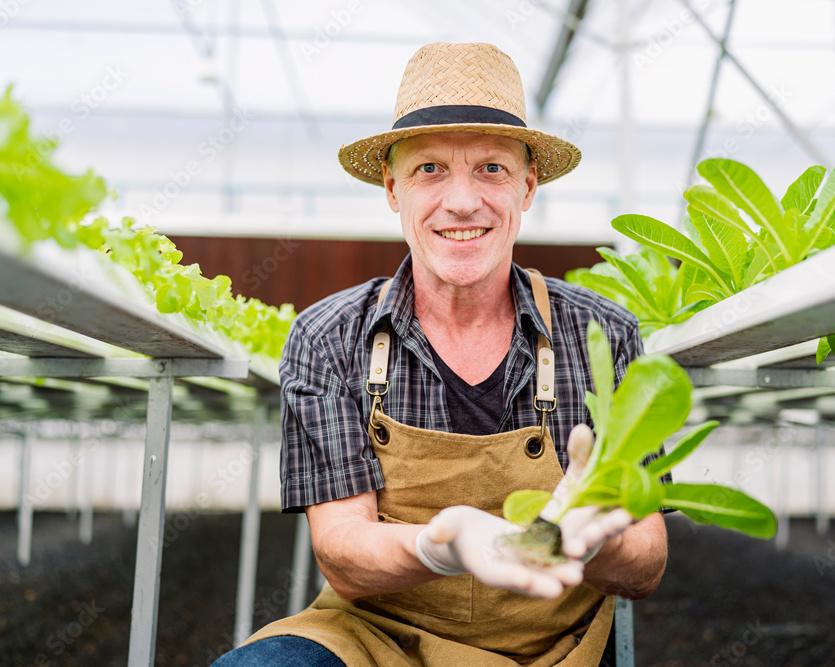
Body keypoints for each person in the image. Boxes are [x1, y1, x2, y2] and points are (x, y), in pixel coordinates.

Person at [213, 41, 669, 667]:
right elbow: (342, 553)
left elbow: (646, 563)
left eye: (491, 169)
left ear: (528, 186)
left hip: (556, 649)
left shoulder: (601, 334)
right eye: (429, 169)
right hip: (376, 640)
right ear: (392, 187)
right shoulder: (330, 337)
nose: (461, 202)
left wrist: (584, 541)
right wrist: (441, 546)